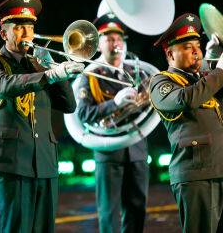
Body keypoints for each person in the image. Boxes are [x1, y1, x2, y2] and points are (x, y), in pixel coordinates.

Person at [0, 0, 84, 232]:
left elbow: (69, 105)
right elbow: (3, 86)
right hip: (12, 163)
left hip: (45, 162)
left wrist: (55, 69)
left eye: (30, 26)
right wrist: (49, 76)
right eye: (18, 27)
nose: (27, 33)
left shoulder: (37, 64)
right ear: (4, 33)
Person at [75, 13, 149, 233]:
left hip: (136, 149)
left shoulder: (137, 71)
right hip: (108, 152)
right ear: (99, 43)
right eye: (109, 39)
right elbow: (84, 114)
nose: (116, 43)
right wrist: (115, 103)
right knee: (109, 212)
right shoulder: (91, 77)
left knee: (137, 208)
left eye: (119, 39)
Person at [150, 13, 223, 232]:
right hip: (196, 174)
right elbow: (185, 99)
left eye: (198, 46)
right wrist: (218, 72)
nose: (196, 51)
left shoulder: (205, 80)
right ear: (170, 54)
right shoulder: (162, 81)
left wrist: (212, 62)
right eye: (187, 47)